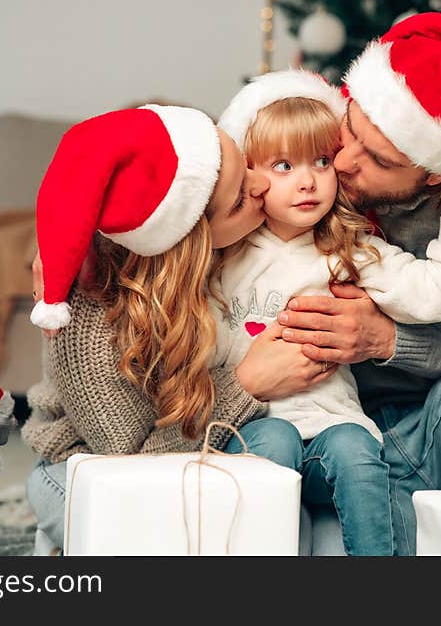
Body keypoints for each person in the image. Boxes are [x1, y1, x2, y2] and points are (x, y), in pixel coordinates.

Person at [258, 13, 441, 555]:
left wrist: (387, 341)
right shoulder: (309, 127)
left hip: (425, 433)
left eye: (380, 160)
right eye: (351, 129)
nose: (342, 163)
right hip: (299, 424)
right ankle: (356, 510)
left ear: (437, 173)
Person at [22, 104, 331, 551]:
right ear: (189, 241)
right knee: (152, 538)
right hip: (88, 469)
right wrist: (247, 382)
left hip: (199, 442)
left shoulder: (212, 244)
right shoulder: (87, 330)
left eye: (246, 166)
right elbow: (134, 466)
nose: (263, 184)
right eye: (242, 198)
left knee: (284, 488)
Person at [210, 69, 441, 555]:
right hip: (250, 429)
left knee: (356, 447)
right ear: (249, 176)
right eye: (283, 166)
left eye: (321, 160)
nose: (309, 181)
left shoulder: (348, 250)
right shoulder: (224, 257)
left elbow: (437, 295)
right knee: (271, 439)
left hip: (330, 432)